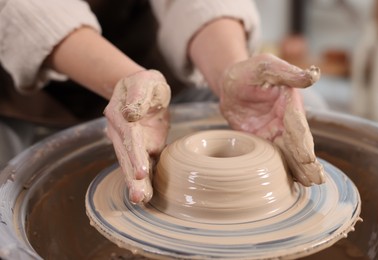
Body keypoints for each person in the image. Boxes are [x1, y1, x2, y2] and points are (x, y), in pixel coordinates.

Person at [0, 0, 324, 203]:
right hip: (25, 90)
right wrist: (123, 82)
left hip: (161, 77)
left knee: (311, 112)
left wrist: (228, 71)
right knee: (11, 192)